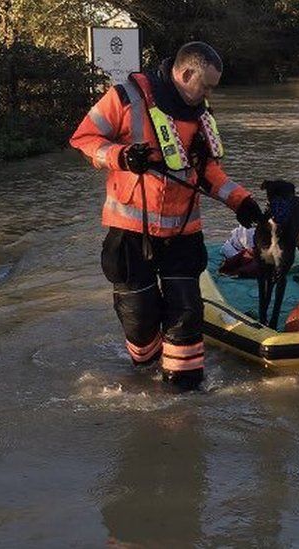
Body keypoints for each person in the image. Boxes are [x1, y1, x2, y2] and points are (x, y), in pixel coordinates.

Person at [71, 42, 262, 391]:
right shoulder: (125, 98)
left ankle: (184, 394)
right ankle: (145, 376)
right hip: (131, 230)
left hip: (183, 233)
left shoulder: (201, 113)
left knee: (187, 313)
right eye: (205, 85)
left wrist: (241, 201)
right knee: (139, 317)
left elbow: (208, 172)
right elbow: (84, 138)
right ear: (186, 73)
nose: (208, 94)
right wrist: (121, 156)